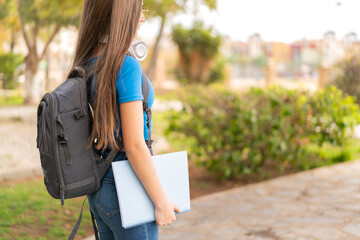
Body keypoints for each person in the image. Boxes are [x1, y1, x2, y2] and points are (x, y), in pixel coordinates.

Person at [67, 0, 181, 239]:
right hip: (127, 186)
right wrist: (161, 202)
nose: (141, 18)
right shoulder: (125, 65)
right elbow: (134, 144)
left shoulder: (88, 62)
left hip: (100, 184)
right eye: (137, 10)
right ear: (121, 16)